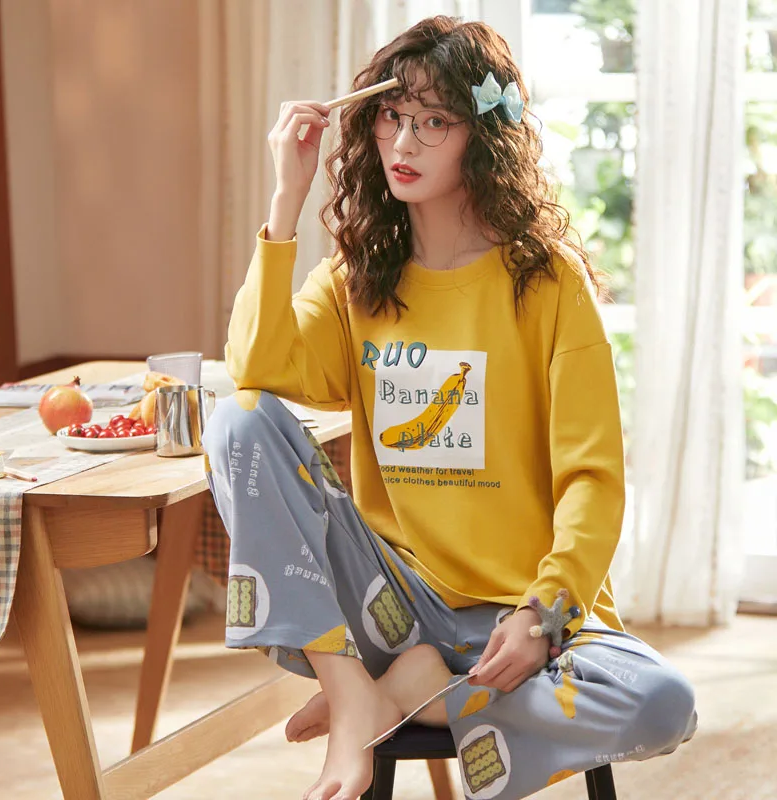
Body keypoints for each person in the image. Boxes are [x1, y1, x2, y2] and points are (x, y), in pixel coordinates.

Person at [202, 15, 697, 800]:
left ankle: (412, 696)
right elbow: (255, 369)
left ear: (483, 138)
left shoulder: (548, 284)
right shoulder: (356, 281)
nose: (403, 143)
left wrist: (542, 614)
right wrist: (286, 199)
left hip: (523, 615)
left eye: (434, 122)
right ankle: (352, 688)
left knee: (663, 704)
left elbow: (593, 479)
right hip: (393, 608)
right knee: (238, 417)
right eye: (392, 116)